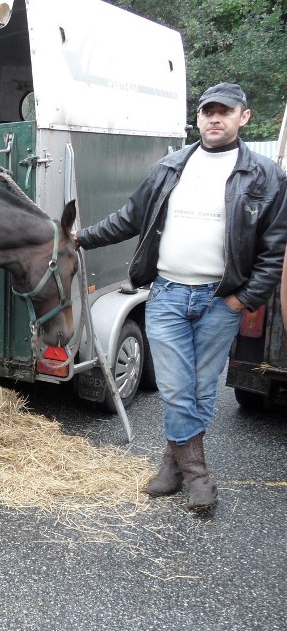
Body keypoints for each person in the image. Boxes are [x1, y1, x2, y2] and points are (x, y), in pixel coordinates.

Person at [72, 83, 287, 514]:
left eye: (225, 112)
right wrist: (80, 238)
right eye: (208, 111)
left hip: (220, 300)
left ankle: (172, 468)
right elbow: (130, 218)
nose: (214, 118)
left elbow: (273, 248)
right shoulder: (169, 167)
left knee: (202, 390)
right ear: (199, 117)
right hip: (168, 295)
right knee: (174, 387)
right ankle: (198, 476)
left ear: (244, 117)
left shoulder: (266, 175)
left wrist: (243, 301)